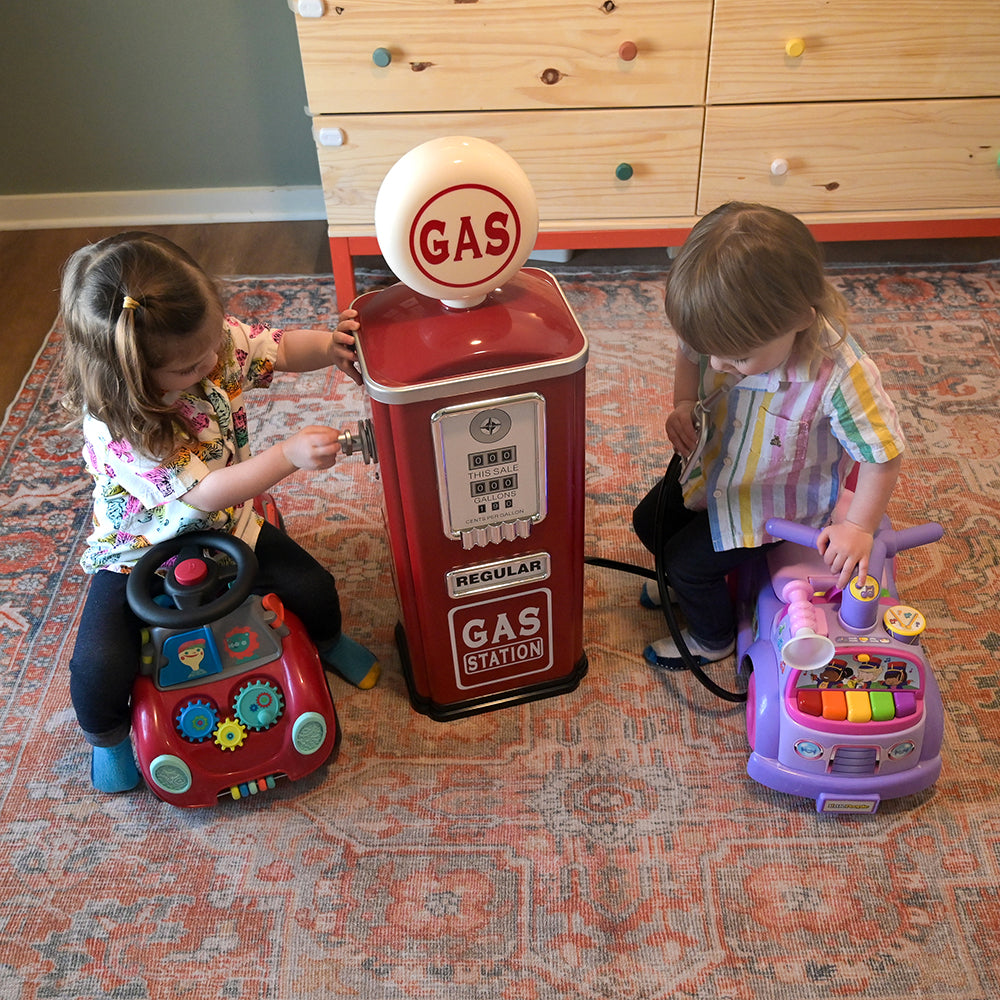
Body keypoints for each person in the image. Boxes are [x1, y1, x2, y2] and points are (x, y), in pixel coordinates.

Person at [59, 231, 380, 793]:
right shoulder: (121, 427)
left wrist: (328, 346)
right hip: (138, 551)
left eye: (213, 345)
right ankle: (108, 740)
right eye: (188, 370)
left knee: (313, 586)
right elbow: (206, 493)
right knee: (96, 666)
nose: (212, 364)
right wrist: (287, 456)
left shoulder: (204, 347)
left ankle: (327, 644)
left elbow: (275, 348)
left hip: (231, 528)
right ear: (130, 377)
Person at [633, 203, 905, 670]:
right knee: (648, 522)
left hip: (773, 503)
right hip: (711, 466)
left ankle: (712, 636)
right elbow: (690, 356)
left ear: (800, 316)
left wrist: (857, 528)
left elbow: (882, 453)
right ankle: (690, 586)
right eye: (709, 352)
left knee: (686, 565)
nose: (716, 365)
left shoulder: (841, 376)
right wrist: (682, 404)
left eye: (736, 358)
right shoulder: (720, 331)